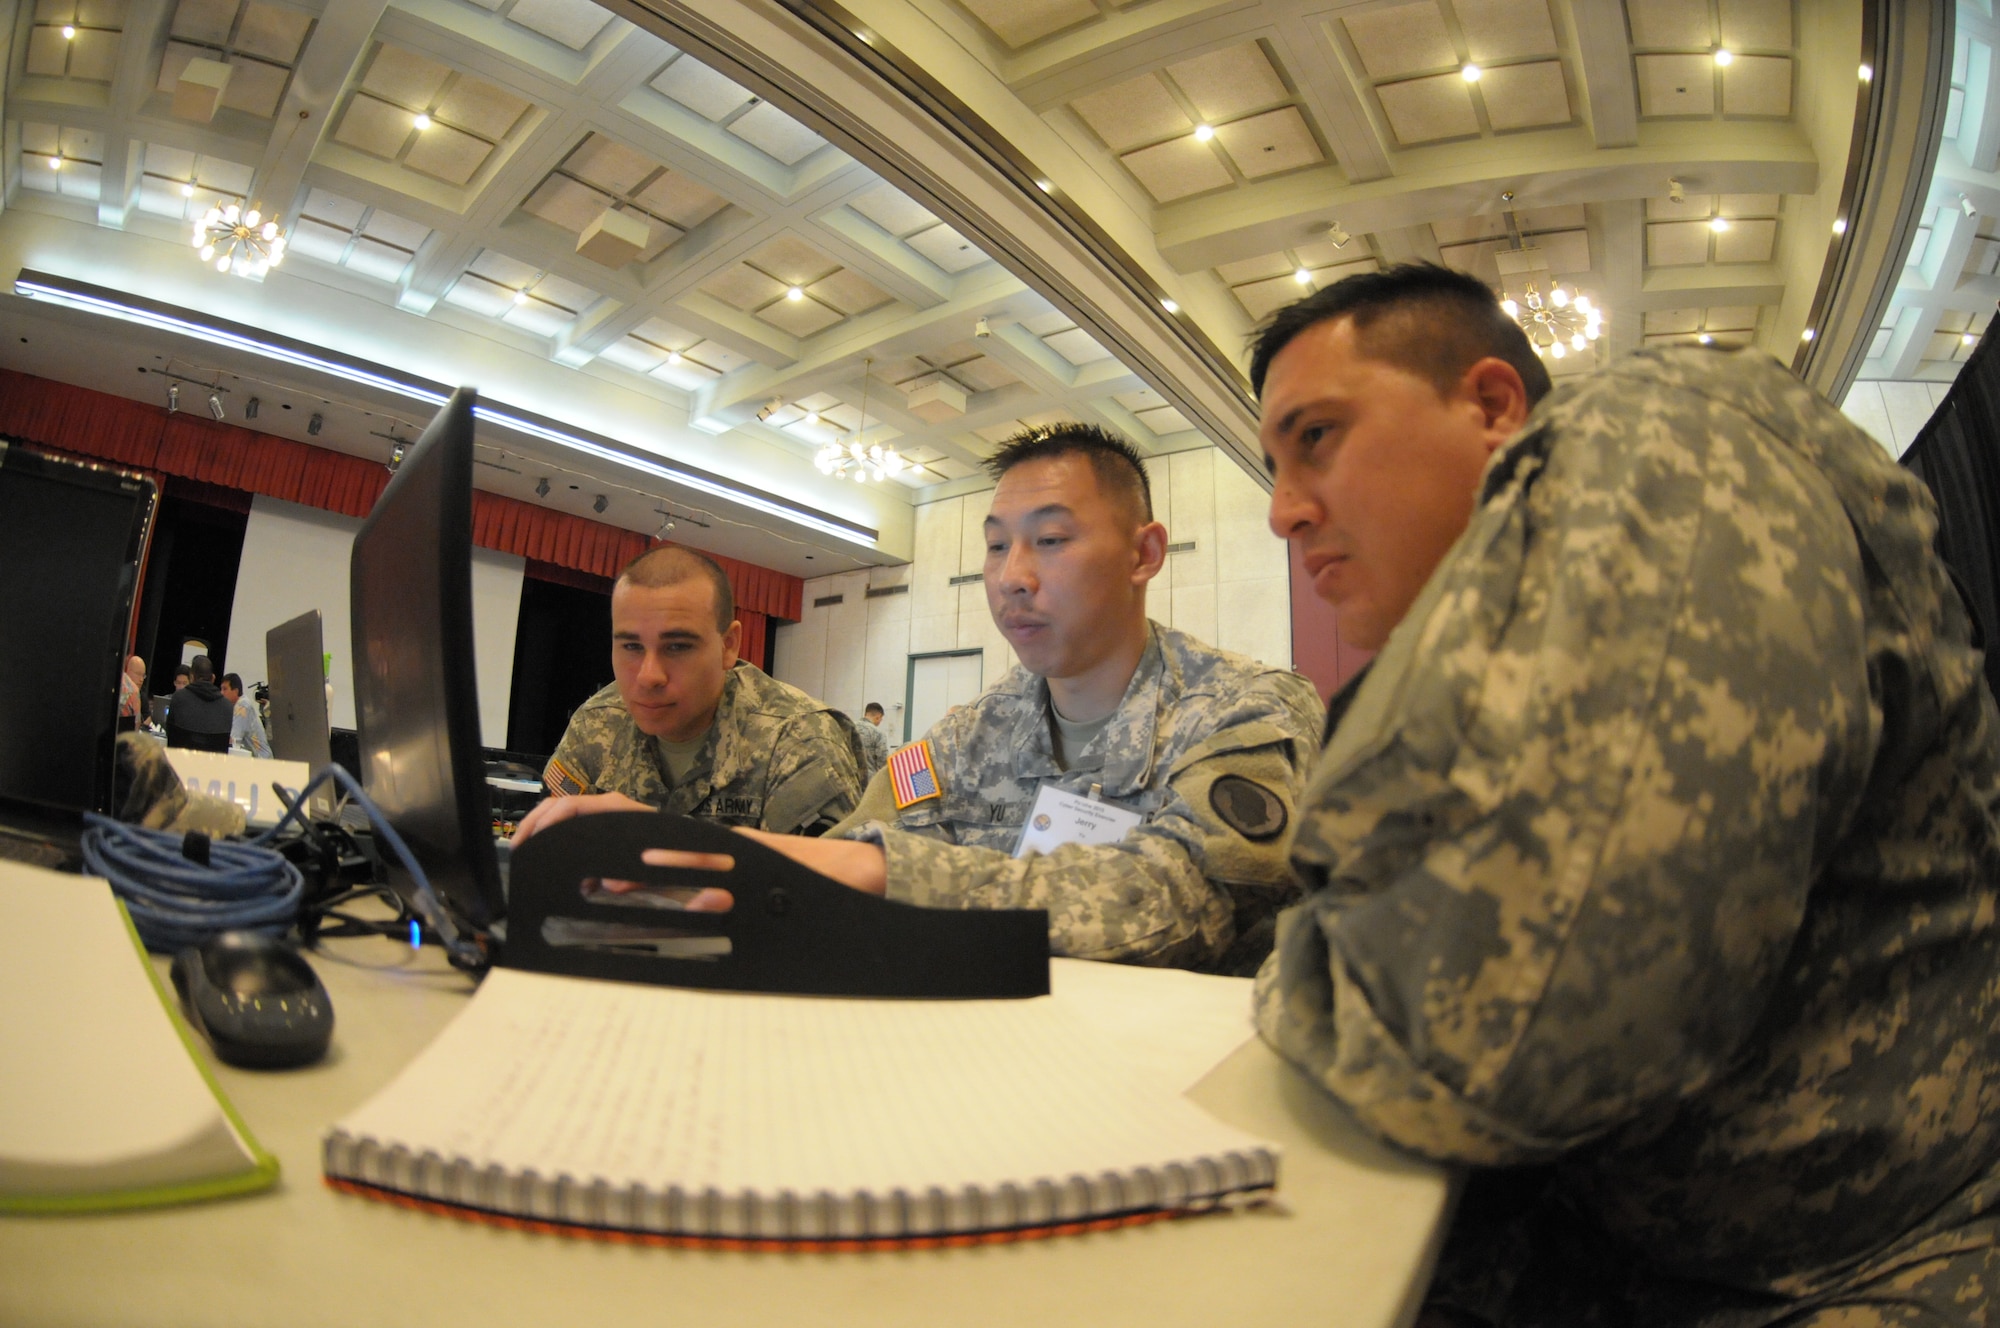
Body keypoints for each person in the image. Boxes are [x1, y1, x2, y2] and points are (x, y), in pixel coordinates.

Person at [1252, 263, 2000, 1325]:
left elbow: (1496, 1046)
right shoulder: (1462, 667)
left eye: (1315, 435)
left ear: (1490, 403)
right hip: (1626, 1251)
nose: (1283, 510)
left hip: (1856, 1273)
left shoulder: (1665, 433)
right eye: (1271, 464)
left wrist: (1300, 970)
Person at [712, 423, 1325, 974]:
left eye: (1051, 540)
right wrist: (718, 863)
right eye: (997, 545)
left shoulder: (1245, 712)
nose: (1011, 577)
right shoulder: (965, 737)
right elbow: (851, 852)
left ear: (1144, 554)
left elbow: (1190, 896)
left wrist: (896, 872)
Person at [516, 546, 863, 837]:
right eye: (632, 647)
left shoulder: (799, 742)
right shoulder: (596, 725)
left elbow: (827, 902)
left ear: (728, 645)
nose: (649, 676)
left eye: (677, 647)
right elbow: (552, 858)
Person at [163, 654, 233, 752]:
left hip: (180, 763)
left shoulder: (178, 698)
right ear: (213, 678)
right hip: (212, 766)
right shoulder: (228, 707)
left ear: (191, 677)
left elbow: (170, 735)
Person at [219, 672, 271, 759]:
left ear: (235, 691)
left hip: (261, 761)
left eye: (225, 689)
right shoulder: (237, 705)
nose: (221, 693)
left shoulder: (242, 707)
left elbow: (234, 740)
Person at [853, 702, 890, 777]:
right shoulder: (878, 734)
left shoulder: (850, 727)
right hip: (868, 779)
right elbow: (883, 761)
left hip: (850, 778)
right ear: (878, 717)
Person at [116, 654, 145, 732]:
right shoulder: (134, 691)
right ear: (128, 670)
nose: (141, 679)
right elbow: (136, 726)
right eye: (138, 674)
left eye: (143, 675)